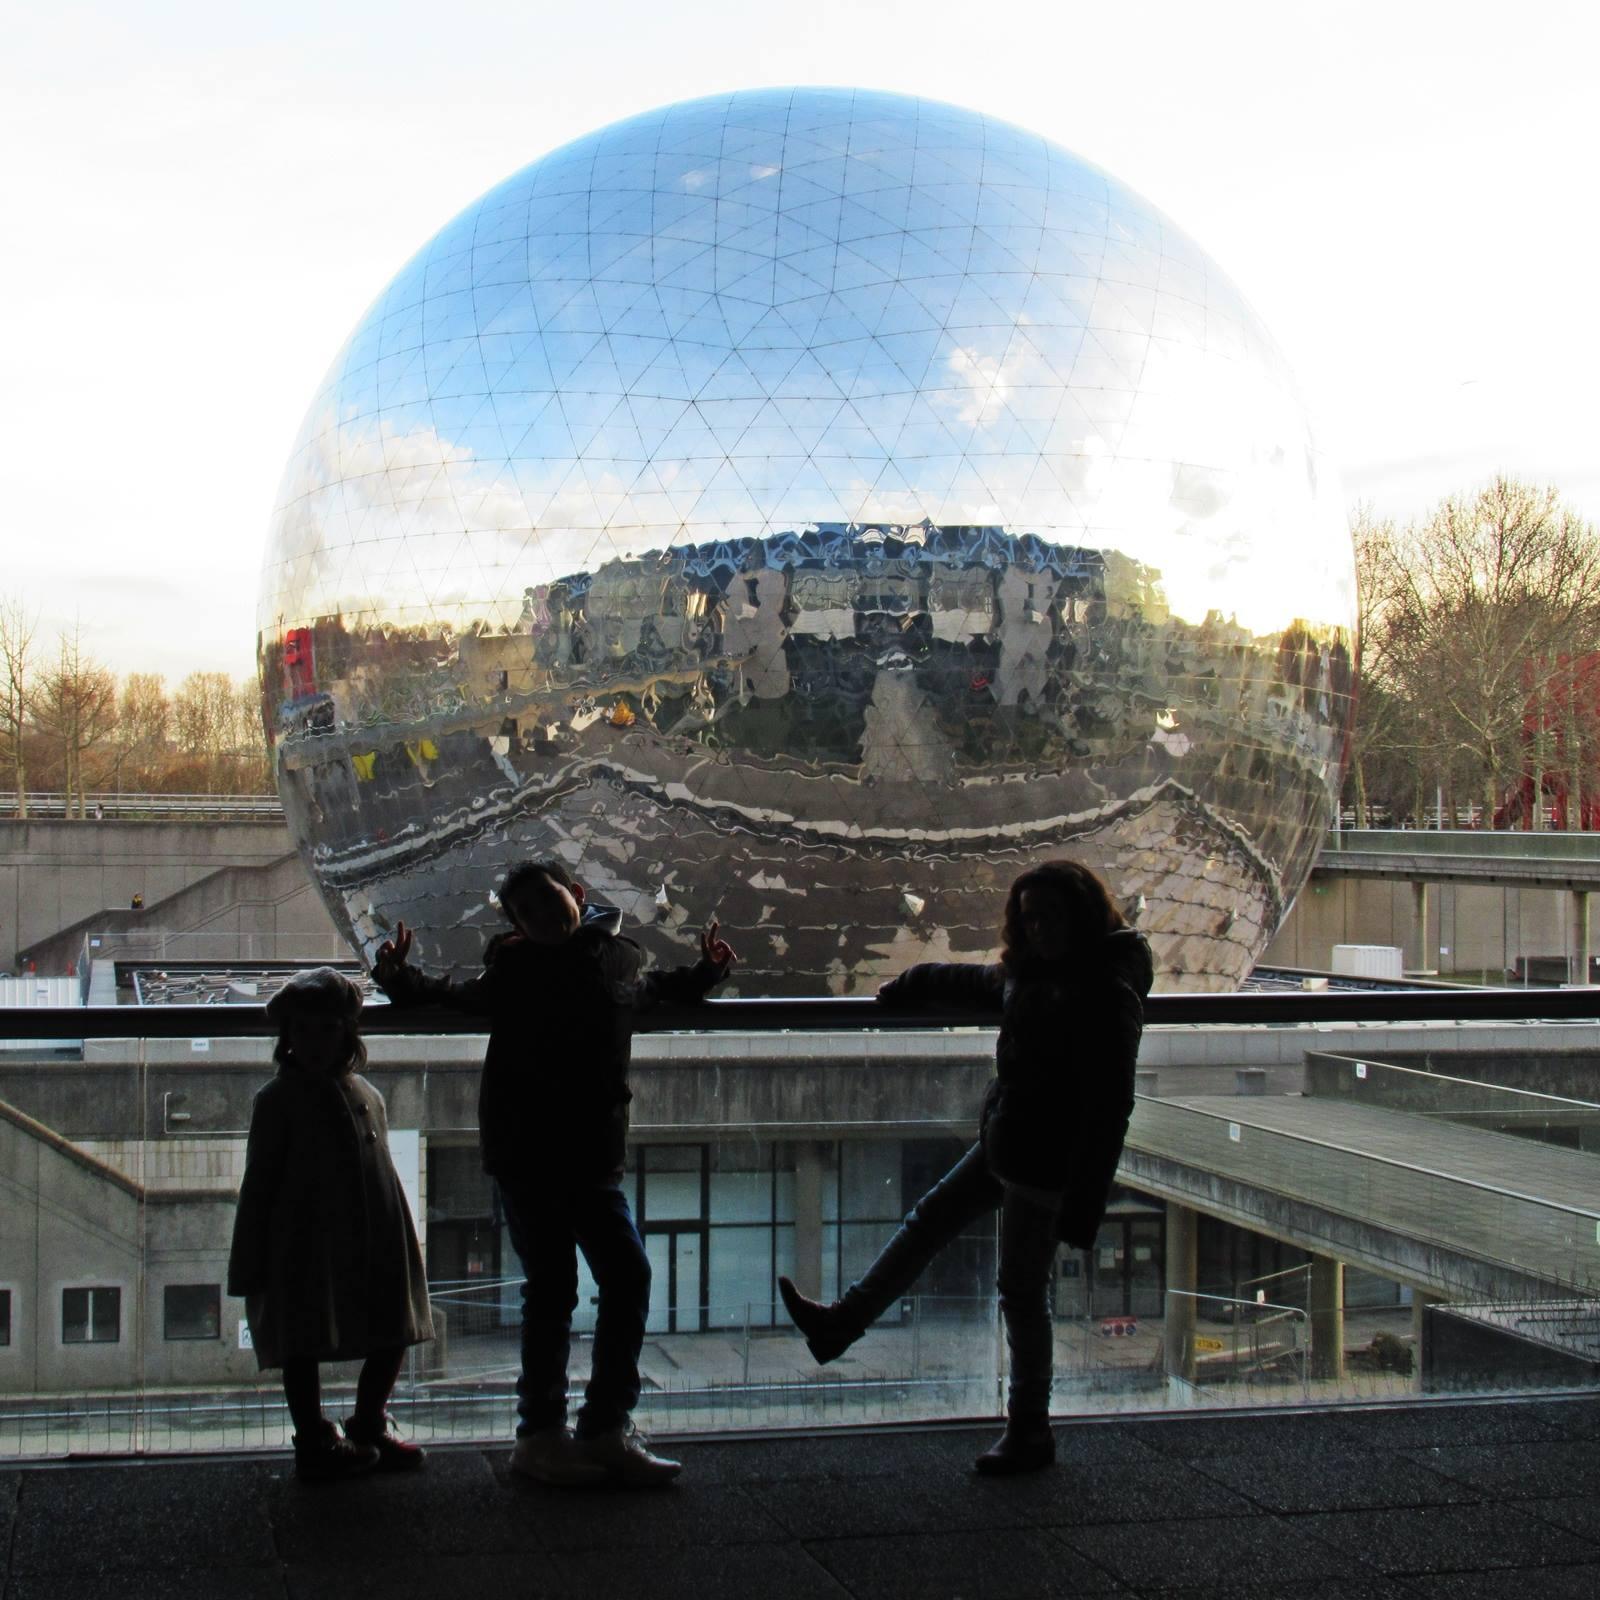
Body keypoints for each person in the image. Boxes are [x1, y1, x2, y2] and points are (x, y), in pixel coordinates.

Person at [778, 859, 1153, 1476]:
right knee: (930, 1222)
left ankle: (1029, 1428)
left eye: (1050, 917)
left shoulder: (1105, 990)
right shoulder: (1036, 974)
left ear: (1082, 916)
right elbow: (976, 981)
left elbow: (1113, 1103)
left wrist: (1084, 1203)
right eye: (1029, 919)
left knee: (1020, 1293)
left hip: (1044, 1166)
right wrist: (911, 982)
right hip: (1009, 1145)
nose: (1039, 929)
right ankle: (840, 1325)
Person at [374, 860, 735, 1487]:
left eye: (546, 903)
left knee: (563, 1289)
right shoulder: (590, 962)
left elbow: (449, 996)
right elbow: (658, 993)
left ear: (575, 895)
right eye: (528, 912)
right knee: (603, 1280)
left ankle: (549, 1435)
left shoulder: (556, 968)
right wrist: (707, 972)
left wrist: (706, 972)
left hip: (545, 1151)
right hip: (563, 1154)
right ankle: (592, 1429)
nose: (542, 918)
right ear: (518, 923)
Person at [227, 967, 434, 1484]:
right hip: (302, 1240)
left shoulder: (366, 1093)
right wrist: (249, 1258)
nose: (314, 1042)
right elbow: (260, 1181)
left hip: (371, 1232)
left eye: (326, 1029)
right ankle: (316, 1437)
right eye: (302, 1030)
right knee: (303, 1338)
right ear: (287, 1037)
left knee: (392, 1328)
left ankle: (366, 1423)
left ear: (347, 1032)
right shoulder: (277, 1101)